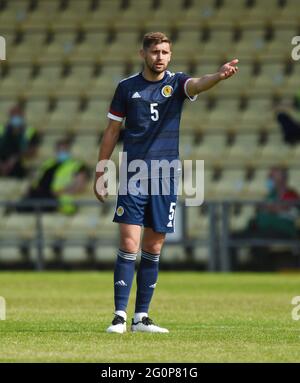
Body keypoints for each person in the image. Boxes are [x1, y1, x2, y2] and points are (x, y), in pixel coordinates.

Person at [93, 31, 238, 333]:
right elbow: (111, 131)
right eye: (155, 51)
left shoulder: (177, 83)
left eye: (165, 52)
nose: (160, 57)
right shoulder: (126, 88)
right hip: (133, 173)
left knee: (154, 246)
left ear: (170, 56)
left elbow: (198, 83)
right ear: (143, 54)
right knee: (128, 242)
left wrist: (220, 76)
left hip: (165, 175)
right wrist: (101, 170)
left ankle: (141, 318)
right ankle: (119, 315)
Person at [17, 138, 89, 214]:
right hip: (39, 194)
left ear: (69, 151)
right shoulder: (47, 163)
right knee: (21, 207)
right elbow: (37, 179)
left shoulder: (76, 165)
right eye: (59, 150)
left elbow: (80, 186)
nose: (62, 152)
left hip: (56, 197)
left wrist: (61, 192)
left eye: (64, 149)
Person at [0, 106, 40, 178]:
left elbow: (33, 151)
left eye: (18, 115)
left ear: (22, 116)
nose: (16, 118)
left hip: (20, 165)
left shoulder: (30, 131)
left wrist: (14, 159)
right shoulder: (2, 129)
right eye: (14, 115)